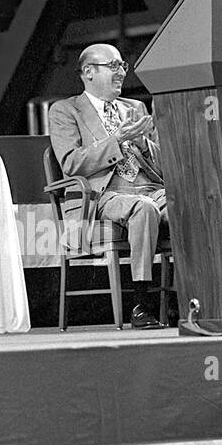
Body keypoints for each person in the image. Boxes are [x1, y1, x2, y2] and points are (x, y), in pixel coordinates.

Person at [47, 43, 167, 329]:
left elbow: (164, 165)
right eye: (113, 66)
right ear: (88, 71)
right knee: (144, 208)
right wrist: (117, 141)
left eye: (123, 66)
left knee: (192, 201)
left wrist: (142, 143)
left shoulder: (135, 108)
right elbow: (71, 164)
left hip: (149, 187)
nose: (121, 73)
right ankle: (142, 304)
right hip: (101, 196)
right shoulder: (66, 110)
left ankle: (198, 296)